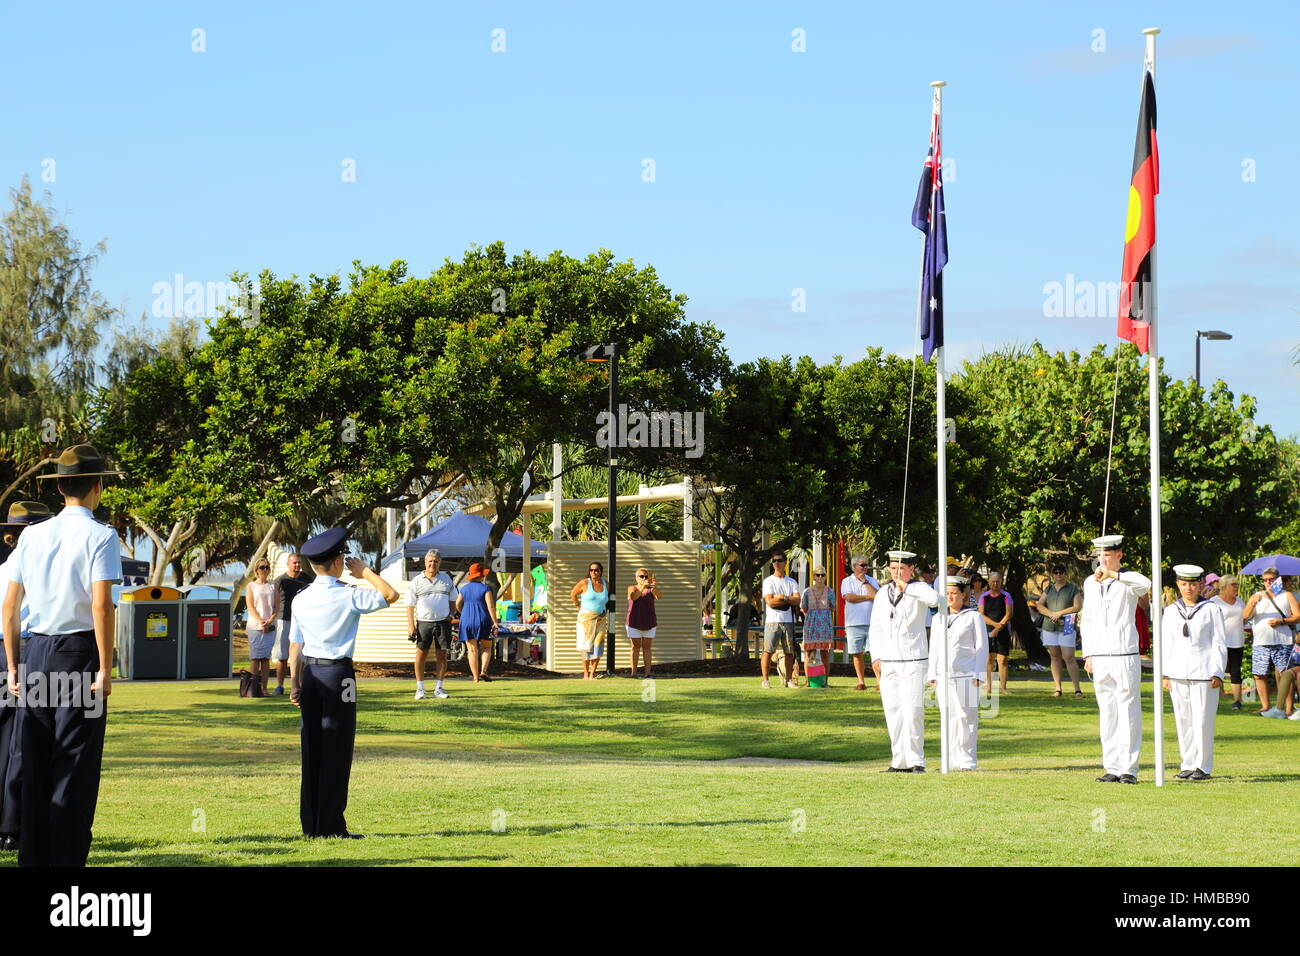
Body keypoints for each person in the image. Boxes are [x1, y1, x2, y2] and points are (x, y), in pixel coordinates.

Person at [3, 444, 123, 865]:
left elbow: (10, 606)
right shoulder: (102, 535)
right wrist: (107, 668)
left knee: (33, 760)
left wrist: (14, 666)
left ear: (60, 490)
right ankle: (66, 858)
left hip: (35, 651)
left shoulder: (33, 535)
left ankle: (32, 855)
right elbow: (102, 605)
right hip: (79, 653)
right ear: (97, 487)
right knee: (74, 762)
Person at [288, 528, 398, 838]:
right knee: (337, 749)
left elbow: (295, 644)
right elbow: (390, 595)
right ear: (338, 562)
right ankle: (332, 826)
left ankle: (311, 825)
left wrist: (294, 682)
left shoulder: (300, 598)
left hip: (310, 674)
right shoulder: (348, 593)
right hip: (339, 676)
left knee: (311, 749)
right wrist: (366, 571)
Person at [0, 502, 53, 852]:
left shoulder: (3, 568)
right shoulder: (37, 571)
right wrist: (15, 664)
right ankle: (12, 826)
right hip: (20, 652)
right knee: (21, 744)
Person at [1080, 534, 1151, 784]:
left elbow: (1146, 584)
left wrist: (1114, 575)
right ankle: (1111, 766)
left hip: (1124, 654)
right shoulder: (1090, 582)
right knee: (1107, 712)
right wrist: (1087, 653)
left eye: (1107, 555)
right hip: (1100, 655)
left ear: (1119, 555)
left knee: (1128, 710)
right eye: (1099, 556)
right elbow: (1087, 620)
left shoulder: (1128, 580)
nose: (1102, 560)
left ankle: (1129, 768)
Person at [869, 550, 939, 772]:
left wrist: (907, 587)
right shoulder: (882, 593)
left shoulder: (918, 589)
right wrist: (876, 656)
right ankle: (898, 760)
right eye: (893, 568)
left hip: (913, 659)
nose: (896, 572)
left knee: (912, 712)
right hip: (889, 660)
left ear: (911, 569)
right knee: (893, 711)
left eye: (901, 568)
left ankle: (916, 760)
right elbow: (876, 626)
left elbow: (935, 600)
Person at [1162, 565, 1228, 780]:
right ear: (1178, 585)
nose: (1188, 588)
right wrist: (1165, 673)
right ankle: (1188, 763)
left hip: (1204, 671)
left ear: (1200, 584)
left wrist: (1217, 672)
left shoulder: (1211, 608)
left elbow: (1219, 642)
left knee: (1202, 720)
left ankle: (1203, 766)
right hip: (1178, 672)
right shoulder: (1171, 610)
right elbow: (1166, 644)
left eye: (1192, 584)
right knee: (1183, 719)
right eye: (1183, 584)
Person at [927, 575, 989, 770]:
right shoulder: (938, 618)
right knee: (949, 716)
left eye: (954, 593)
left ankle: (967, 760)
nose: (950, 597)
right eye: (947, 594)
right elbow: (934, 647)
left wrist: (979, 674)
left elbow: (981, 647)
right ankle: (951, 759)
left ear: (963, 594)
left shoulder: (973, 616)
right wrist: (932, 673)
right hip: (943, 675)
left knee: (967, 717)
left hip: (966, 673)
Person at [1243, 567, 1300, 716]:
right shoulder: (1256, 596)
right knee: (1259, 675)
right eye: (1265, 580)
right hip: (1260, 642)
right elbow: (1246, 616)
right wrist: (1252, 603)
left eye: (1271, 579)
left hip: (1283, 641)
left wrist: (1281, 621)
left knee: (1284, 675)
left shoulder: (1287, 595)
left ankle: (1287, 709)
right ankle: (1265, 707)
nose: (1268, 582)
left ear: (1278, 580)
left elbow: (1298, 616)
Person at [405, 549, 457, 699]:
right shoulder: (416, 581)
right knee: (421, 654)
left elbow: (453, 599)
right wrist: (410, 625)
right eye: (430, 561)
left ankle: (439, 689)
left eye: (435, 561)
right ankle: (420, 689)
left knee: (442, 654)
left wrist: (451, 614)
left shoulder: (446, 579)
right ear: (425, 563)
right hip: (424, 622)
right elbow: (410, 604)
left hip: (443, 623)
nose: (432, 564)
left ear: (439, 563)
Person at [1036, 563, 1083, 698]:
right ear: (1052, 574)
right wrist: (1051, 614)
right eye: (1055, 572)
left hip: (1067, 624)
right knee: (1055, 656)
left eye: (1061, 572)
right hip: (1050, 626)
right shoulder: (1048, 589)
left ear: (1065, 573)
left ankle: (1077, 689)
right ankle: (1058, 689)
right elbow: (1039, 605)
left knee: (1069, 657)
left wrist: (1059, 613)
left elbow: (1077, 607)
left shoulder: (1073, 588)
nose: (1058, 574)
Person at [272, 552, 312, 696]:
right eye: (294, 563)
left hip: (302, 621)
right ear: (288, 564)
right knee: (282, 656)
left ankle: (300, 685)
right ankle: (279, 686)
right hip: (284, 619)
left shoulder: (308, 580)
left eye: (299, 563)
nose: (297, 565)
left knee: (301, 656)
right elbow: (273, 601)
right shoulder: (280, 581)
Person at [760, 553, 802, 688]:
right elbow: (770, 602)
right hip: (772, 621)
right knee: (768, 651)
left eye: (779, 561)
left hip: (788, 621)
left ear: (785, 562)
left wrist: (782, 598)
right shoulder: (768, 581)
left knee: (790, 651)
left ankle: (789, 679)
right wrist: (788, 599)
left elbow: (797, 600)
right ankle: (765, 680)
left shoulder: (791, 582)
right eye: (774, 561)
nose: (776, 563)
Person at [840, 555, 879, 691]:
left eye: (866, 565)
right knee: (857, 653)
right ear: (854, 566)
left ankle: (879, 682)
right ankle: (861, 682)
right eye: (862, 565)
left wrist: (865, 583)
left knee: (875, 653)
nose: (865, 568)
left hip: (872, 623)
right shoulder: (847, 581)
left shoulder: (872, 580)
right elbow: (849, 597)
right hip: (853, 623)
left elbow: (877, 596)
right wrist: (867, 597)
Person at [456, 563, 499, 682]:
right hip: (483, 620)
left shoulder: (464, 589)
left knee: (472, 650)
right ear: (481, 576)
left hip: (466, 620)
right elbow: (490, 606)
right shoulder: (485, 588)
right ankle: (483, 671)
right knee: (487, 647)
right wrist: (495, 622)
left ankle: (475, 677)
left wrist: (463, 613)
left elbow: (457, 604)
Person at [244, 557, 279, 696]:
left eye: (266, 567)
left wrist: (270, 620)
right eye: (262, 567)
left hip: (270, 626)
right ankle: (253, 688)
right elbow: (250, 606)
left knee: (265, 658)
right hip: (254, 625)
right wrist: (261, 621)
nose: (264, 570)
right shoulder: (251, 586)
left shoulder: (273, 585)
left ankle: (264, 689)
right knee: (255, 657)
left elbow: (277, 606)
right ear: (256, 570)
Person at [1211, 575, 1247, 711]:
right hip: (1221, 642)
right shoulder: (1214, 602)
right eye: (1233, 584)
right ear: (1224, 587)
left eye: (1237, 584)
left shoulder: (1240, 602)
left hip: (1237, 641)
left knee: (1236, 671)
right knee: (1217, 670)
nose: (1236, 587)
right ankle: (1217, 697)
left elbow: (1243, 619)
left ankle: (1237, 701)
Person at [570, 562, 609, 680]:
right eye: (591, 570)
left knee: (598, 645)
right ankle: (586, 673)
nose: (593, 572)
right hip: (585, 620)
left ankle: (593, 673)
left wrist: (604, 610)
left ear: (601, 571)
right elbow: (573, 594)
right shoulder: (584, 583)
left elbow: (608, 600)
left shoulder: (606, 584)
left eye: (596, 570)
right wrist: (578, 606)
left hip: (601, 619)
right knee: (586, 646)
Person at [980, 572, 1014, 696]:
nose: (995, 584)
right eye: (993, 581)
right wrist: (994, 625)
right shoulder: (984, 597)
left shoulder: (1006, 596)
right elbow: (981, 614)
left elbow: (1009, 614)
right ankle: (989, 687)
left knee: (1003, 659)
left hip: (1003, 631)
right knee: (989, 659)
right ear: (989, 582)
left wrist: (999, 627)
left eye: (997, 581)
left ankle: (1003, 687)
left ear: (1001, 582)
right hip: (987, 629)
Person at [800, 568, 836, 687]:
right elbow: (803, 608)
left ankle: (825, 681)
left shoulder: (830, 591)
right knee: (809, 653)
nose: (820, 577)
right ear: (813, 577)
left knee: (825, 653)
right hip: (810, 624)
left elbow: (833, 607)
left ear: (825, 577)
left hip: (825, 625)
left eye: (822, 575)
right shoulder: (807, 591)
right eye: (817, 575)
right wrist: (812, 616)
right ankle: (809, 681)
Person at [626, 567, 660, 679]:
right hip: (634, 622)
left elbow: (659, 597)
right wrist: (642, 587)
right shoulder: (632, 587)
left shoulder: (651, 589)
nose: (644, 578)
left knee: (647, 647)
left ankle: (647, 673)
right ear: (636, 577)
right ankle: (634, 673)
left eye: (646, 576)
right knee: (635, 646)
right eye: (641, 576)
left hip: (649, 622)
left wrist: (654, 588)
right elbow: (634, 597)